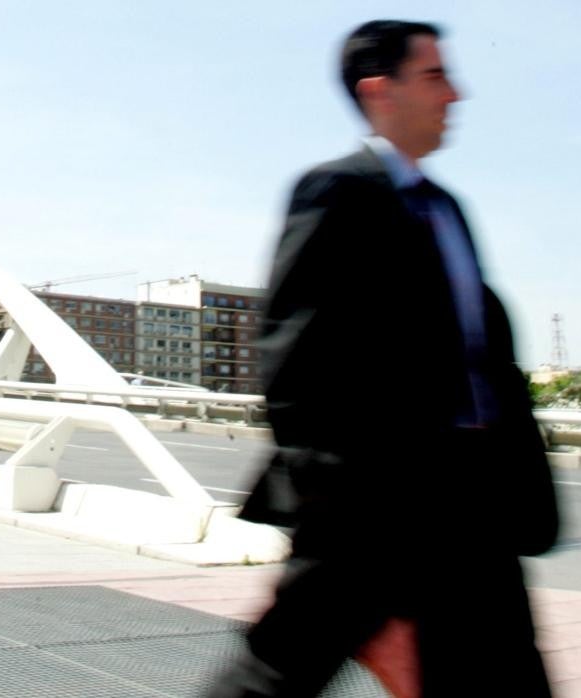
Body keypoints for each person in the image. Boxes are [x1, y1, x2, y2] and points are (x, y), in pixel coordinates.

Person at [215, 20, 560, 697]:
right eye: (435, 76)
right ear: (381, 90)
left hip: (470, 508)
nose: (455, 94)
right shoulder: (335, 191)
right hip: (369, 507)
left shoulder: (447, 211)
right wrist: (326, 500)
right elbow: (291, 355)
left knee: (507, 678)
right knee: (275, 676)